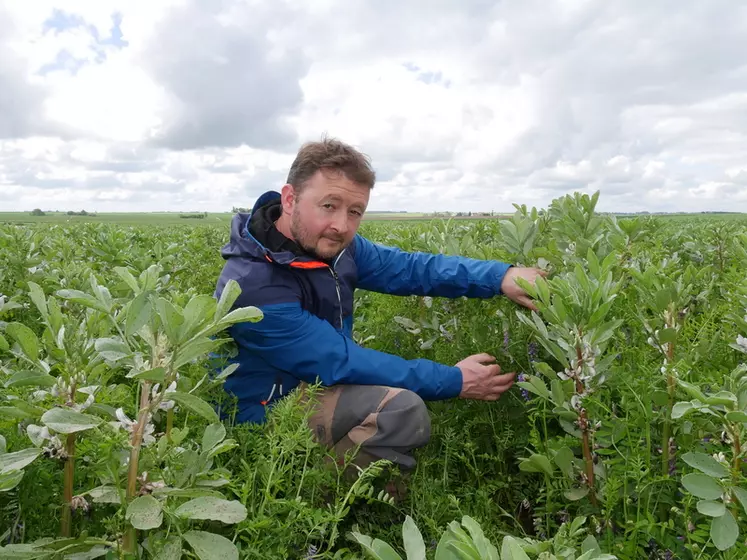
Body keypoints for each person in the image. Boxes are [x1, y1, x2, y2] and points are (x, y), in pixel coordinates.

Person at [214, 136, 546, 474]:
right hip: (263, 413)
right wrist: (454, 380)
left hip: (314, 383)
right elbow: (341, 361)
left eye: (355, 212)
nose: (342, 226)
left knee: (388, 401)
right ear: (290, 199)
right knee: (400, 411)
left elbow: (412, 269)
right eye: (329, 205)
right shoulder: (254, 284)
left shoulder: (336, 248)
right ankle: (324, 504)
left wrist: (500, 277)